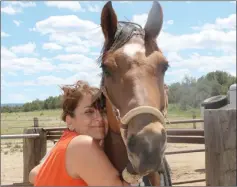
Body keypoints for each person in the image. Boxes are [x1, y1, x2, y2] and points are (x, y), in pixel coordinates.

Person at [29, 80, 129, 186]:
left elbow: (33, 174)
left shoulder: (65, 143)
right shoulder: (82, 145)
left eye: (103, 111)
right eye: (89, 112)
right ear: (69, 121)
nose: (99, 118)